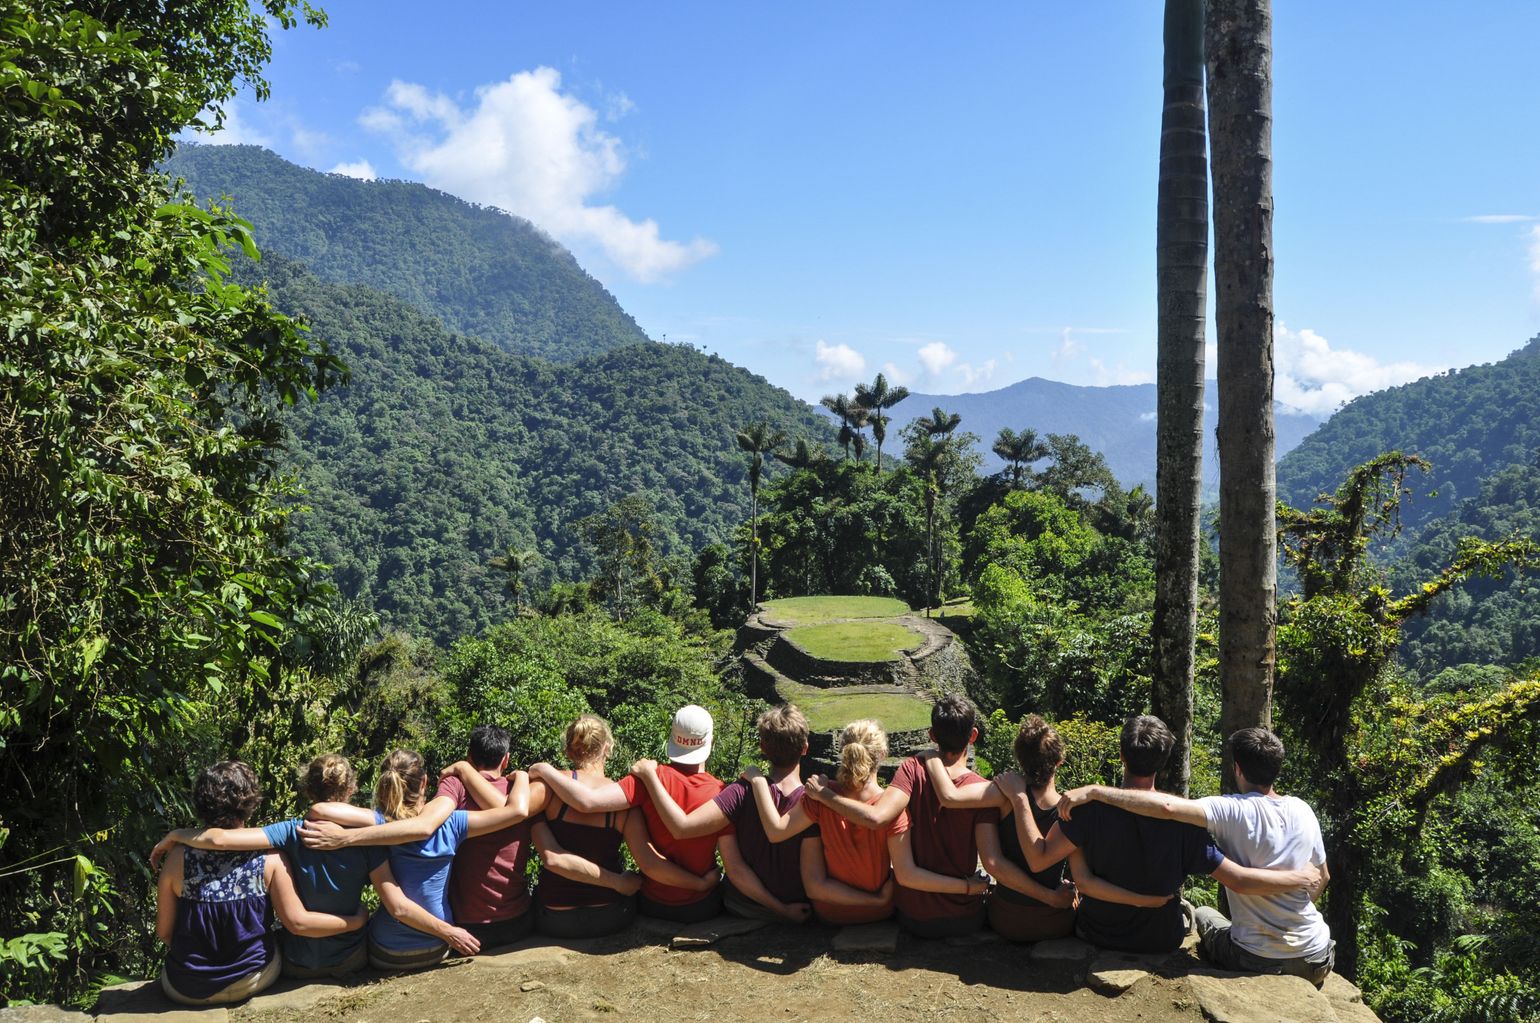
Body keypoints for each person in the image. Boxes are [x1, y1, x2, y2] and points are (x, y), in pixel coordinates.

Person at [999, 715, 1323, 955]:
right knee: (1204, 916)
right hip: (1162, 937)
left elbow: (1045, 860)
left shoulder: (1086, 811)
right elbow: (1231, 875)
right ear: (1164, 762)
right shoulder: (1186, 821)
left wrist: (1021, 799)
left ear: (1121, 755)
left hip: (1097, 932)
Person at [1056, 726, 1334, 984]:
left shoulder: (1231, 810)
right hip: (1318, 955)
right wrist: (1291, 898)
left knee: (1203, 914)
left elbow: (1166, 807)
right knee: (1200, 914)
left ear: (1237, 769)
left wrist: (1095, 792)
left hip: (1255, 957)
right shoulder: (1303, 809)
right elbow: (1322, 877)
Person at [150, 754, 383, 979]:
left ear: (308, 791)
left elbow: (220, 839)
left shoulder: (291, 832)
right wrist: (359, 920)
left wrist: (177, 834)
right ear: (351, 789)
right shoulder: (369, 838)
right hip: (352, 957)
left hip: (296, 962)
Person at [301, 748, 533, 970]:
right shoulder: (453, 823)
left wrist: (344, 838)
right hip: (437, 946)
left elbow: (319, 810)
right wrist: (522, 775)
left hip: (386, 952)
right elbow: (516, 812)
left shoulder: (381, 823)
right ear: (424, 782)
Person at [799, 695, 996, 937]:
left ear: (932, 735)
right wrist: (969, 888)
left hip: (913, 916)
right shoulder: (984, 790)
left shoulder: (912, 769)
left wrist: (824, 795)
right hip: (965, 918)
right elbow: (991, 861)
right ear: (973, 735)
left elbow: (878, 817)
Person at [532, 705, 726, 924]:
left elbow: (586, 802)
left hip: (566, 917)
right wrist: (700, 884)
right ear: (607, 748)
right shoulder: (722, 793)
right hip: (634, 913)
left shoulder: (642, 783)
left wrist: (543, 770)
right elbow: (651, 863)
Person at [630, 705, 814, 923]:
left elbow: (733, 868)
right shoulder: (814, 802)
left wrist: (649, 776)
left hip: (743, 906)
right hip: (800, 904)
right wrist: (786, 908)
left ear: (763, 747)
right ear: (805, 748)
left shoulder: (738, 792)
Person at [924, 715, 1081, 941]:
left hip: (1004, 919)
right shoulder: (1069, 810)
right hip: (1054, 923)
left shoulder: (1003, 795)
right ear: (1059, 761)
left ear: (1020, 758)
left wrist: (931, 756)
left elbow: (950, 797)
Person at [747, 720, 900, 925]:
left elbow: (777, 831)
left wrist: (758, 781)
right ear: (882, 754)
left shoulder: (819, 796)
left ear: (843, 751)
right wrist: (878, 900)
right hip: (881, 913)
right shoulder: (891, 807)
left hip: (831, 913)